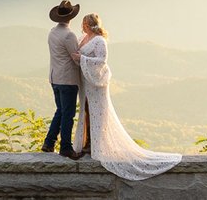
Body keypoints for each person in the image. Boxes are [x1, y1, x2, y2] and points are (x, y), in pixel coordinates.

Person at [77, 13, 181, 180]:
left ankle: (98, 145)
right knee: (87, 111)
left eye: (84, 23)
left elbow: (102, 60)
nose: (82, 25)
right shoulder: (83, 38)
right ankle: (88, 142)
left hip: (97, 82)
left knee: (98, 111)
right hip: (86, 81)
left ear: (90, 24)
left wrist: (81, 58)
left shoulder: (99, 41)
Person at [41, 0, 85, 158]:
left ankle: (49, 142)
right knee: (68, 114)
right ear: (71, 17)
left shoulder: (52, 32)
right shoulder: (69, 35)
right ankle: (65, 147)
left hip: (54, 77)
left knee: (60, 110)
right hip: (67, 79)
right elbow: (76, 58)